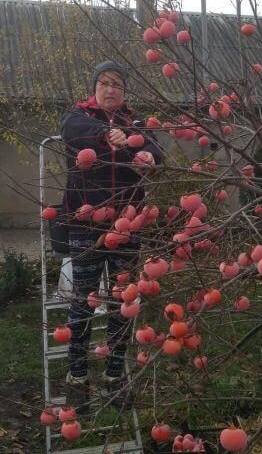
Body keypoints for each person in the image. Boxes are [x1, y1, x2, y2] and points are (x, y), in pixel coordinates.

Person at [58, 60, 164, 411]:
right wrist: (105, 134)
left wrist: (148, 154)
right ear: (94, 88)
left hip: (128, 224)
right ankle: (77, 377)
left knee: (123, 301)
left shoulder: (135, 122)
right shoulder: (78, 115)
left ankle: (115, 375)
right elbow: (72, 131)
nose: (110, 89)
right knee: (83, 300)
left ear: (124, 90)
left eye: (116, 83)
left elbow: (155, 148)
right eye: (103, 83)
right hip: (86, 225)